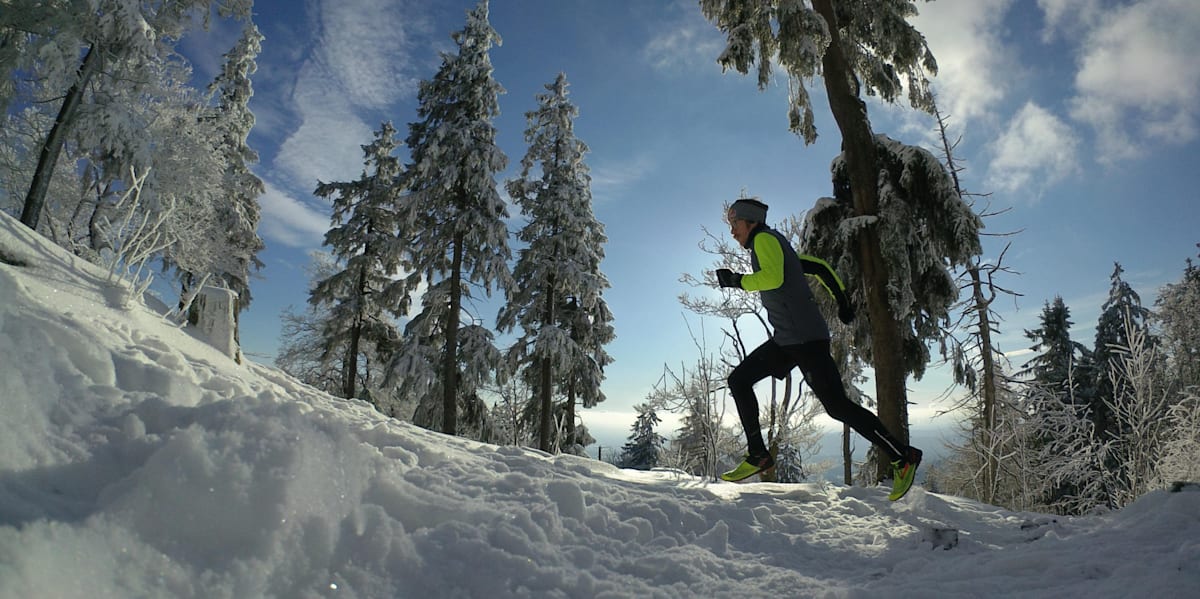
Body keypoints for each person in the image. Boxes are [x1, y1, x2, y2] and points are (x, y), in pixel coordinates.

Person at [715, 197, 922, 501]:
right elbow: (819, 266)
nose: (732, 231)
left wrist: (736, 280)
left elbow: (773, 278)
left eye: (735, 223)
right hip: (789, 339)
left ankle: (902, 456)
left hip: (805, 340)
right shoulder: (777, 246)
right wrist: (842, 300)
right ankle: (758, 454)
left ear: (751, 222)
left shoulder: (764, 240)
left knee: (837, 406)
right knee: (739, 380)